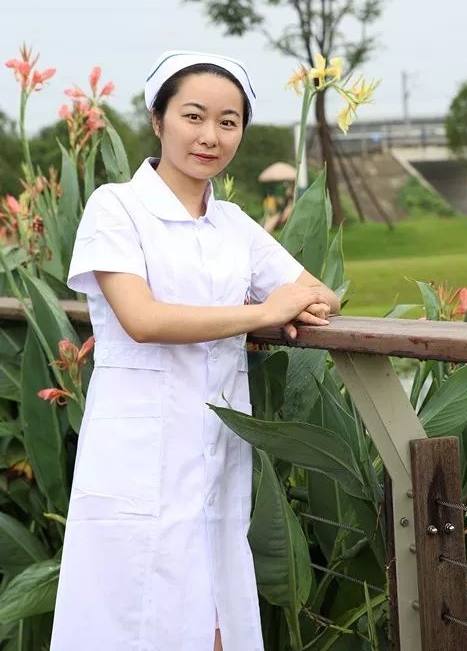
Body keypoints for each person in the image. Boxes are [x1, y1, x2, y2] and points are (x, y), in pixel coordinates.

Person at [50, 50, 340, 651]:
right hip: (137, 453)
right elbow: (142, 318)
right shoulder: (116, 207)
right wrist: (263, 313)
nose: (210, 135)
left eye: (228, 122)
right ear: (158, 120)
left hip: (214, 452)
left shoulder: (232, 224)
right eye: (194, 116)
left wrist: (296, 303)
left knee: (216, 618)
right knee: (130, 619)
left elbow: (317, 292)